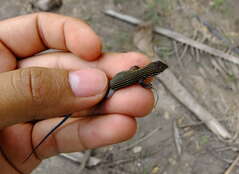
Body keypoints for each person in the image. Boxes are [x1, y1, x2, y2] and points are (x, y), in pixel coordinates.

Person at [0, 13, 154, 173]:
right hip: (109, 86)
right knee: (102, 102)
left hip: (112, 83)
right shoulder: (140, 76)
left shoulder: (140, 72)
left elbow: (135, 70)